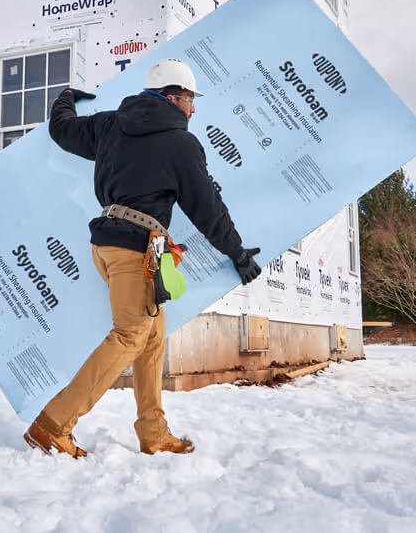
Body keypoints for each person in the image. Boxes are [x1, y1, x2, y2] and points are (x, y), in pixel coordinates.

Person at [23, 58, 263, 458]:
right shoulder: (181, 144)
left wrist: (64, 99)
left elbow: (62, 131)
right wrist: (236, 253)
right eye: (189, 98)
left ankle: (153, 432)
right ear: (173, 96)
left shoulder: (109, 123)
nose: (192, 108)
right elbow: (208, 209)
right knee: (130, 335)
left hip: (107, 245)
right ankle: (52, 425)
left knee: (151, 338)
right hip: (135, 252)